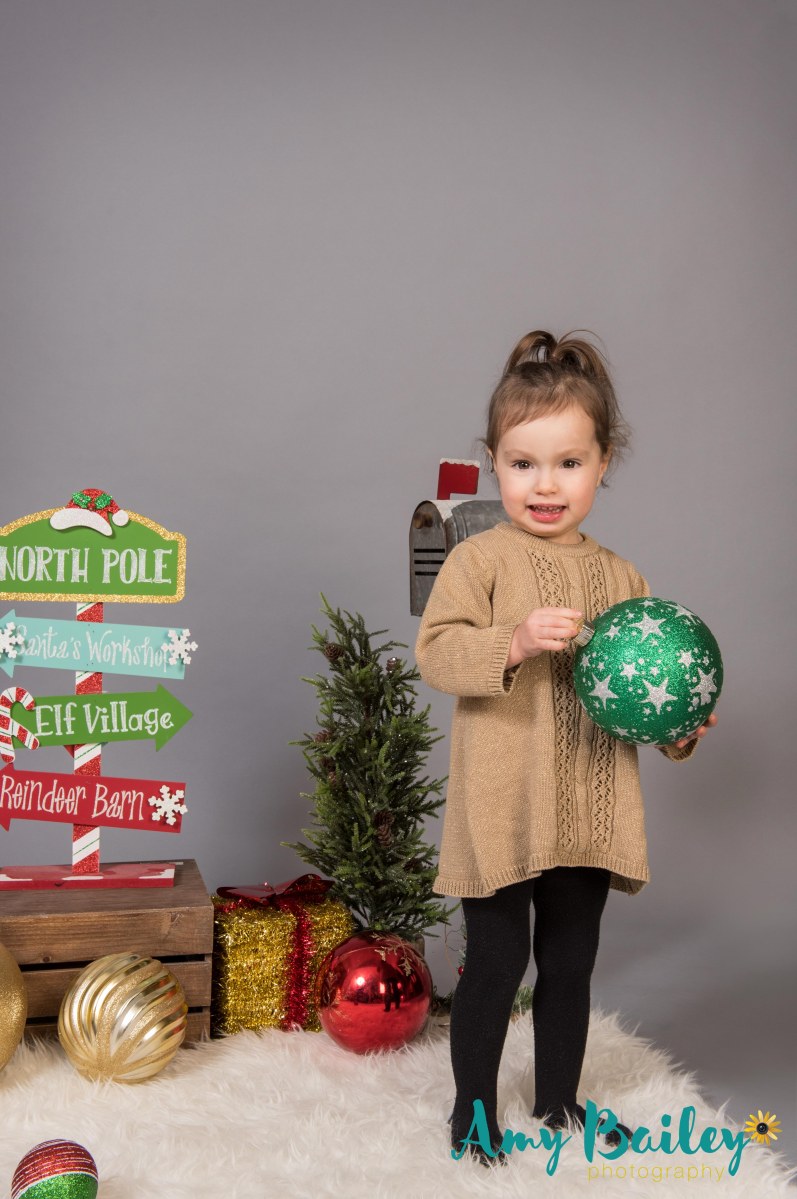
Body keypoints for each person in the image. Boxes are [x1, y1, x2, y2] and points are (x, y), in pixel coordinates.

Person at [414, 329, 718, 1167]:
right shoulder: (478, 559)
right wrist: (510, 642)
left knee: (569, 960)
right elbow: (436, 652)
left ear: (602, 462)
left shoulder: (623, 579)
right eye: (522, 463)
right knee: (496, 960)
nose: (544, 484)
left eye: (568, 463)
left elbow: (643, 691)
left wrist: (679, 728)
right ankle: (473, 1110)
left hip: (586, 808)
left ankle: (557, 1101)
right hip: (502, 807)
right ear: (493, 462)